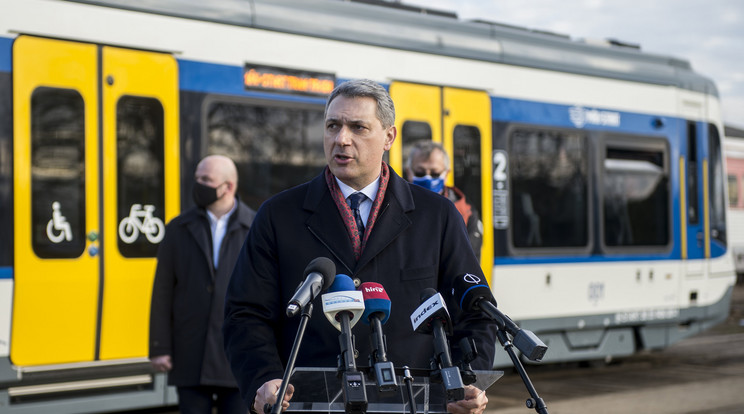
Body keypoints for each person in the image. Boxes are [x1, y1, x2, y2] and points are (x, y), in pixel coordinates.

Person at [223, 79, 497, 414]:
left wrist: (468, 380)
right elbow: (245, 314)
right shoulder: (278, 215)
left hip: (414, 404)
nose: (341, 139)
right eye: (333, 126)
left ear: (389, 137)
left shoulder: (437, 216)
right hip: (308, 404)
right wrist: (262, 378)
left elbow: (474, 313)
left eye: (358, 127)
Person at [150, 155, 256, 414]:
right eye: (197, 178)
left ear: (228, 187)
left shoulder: (255, 227)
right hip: (190, 355)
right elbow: (162, 290)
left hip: (239, 357)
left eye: (206, 180)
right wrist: (159, 347)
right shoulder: (178, 228)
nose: (198, 184)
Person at [404, 141, 484, 260]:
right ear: (409, 172)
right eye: (420, 173)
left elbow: (468, 263)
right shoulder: (394, 204)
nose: (427, 178)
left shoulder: (465, 212)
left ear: (446, 174)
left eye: (435, 173)